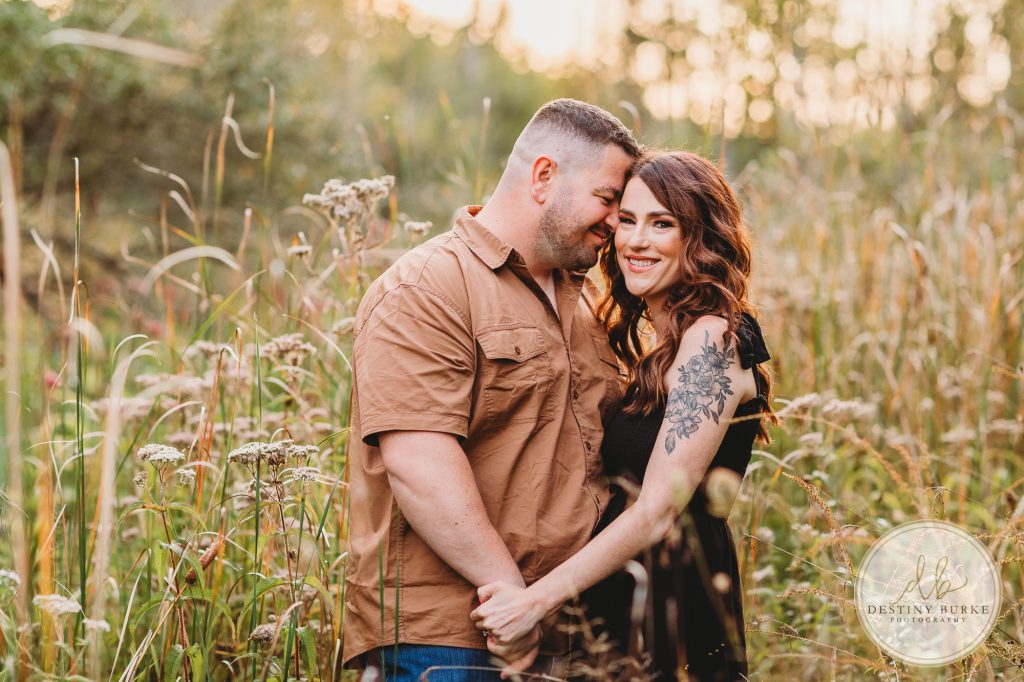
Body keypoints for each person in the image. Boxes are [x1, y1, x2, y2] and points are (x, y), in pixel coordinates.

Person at [341, 99, 642, 681]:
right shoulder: (426, 288)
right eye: (608, 200)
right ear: (544, 176)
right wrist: (510, 597)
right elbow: (419, 460)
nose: (615, 222)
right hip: (453, 639)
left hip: (573, 633)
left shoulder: (596, 304)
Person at [470, 150, 776, 681]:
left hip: (671, 599)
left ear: (700, 238)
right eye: (627, 220)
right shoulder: (662, 345)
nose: (636, 240)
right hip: (626, 593)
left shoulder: (714, 338)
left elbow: (659, 508)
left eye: (662, 224)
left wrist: (533, 603)